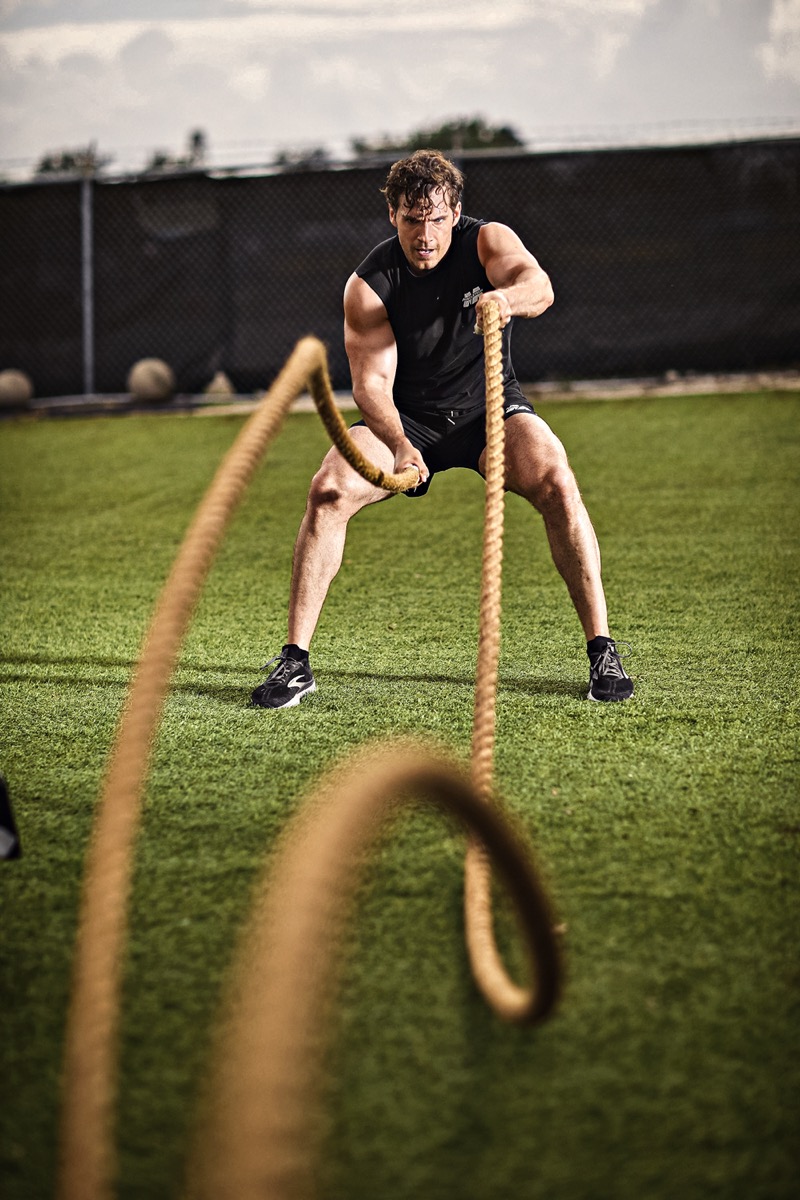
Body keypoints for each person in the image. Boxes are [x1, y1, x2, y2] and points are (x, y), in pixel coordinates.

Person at [252, 148, 633, 708]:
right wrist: (403, 445)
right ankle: (296, 662)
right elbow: (370, 388)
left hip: (490, 408)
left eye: (435, 219)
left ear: (455, 213)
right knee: (328, 490)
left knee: (555, 477)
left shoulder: (488, 242)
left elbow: (540, 285)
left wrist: (504, 299)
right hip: (406, 419)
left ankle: (602, 648)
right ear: (392, 215)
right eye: (411, 219)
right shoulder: (369, 285)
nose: (424, 234)